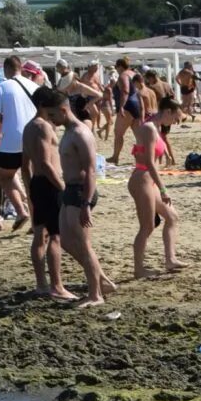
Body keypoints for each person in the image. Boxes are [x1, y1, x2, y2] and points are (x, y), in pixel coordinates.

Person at [55, 90, 113, 307]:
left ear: (63, 110)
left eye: (53, 115)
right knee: (67, 241)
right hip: (69, 189)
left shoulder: (81, 132)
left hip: (81, 192)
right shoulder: (68, 131)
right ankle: (103, 281)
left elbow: (91, 171)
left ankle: (96, 294)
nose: (51, 120)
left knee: (84, 244)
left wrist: (86, 204)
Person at [23, 86, 75, 301]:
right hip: (49, 183)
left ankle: (41, 284)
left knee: (39, 234)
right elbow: (45, 162)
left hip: (37, 183)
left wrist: (29, 190)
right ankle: (57, 286)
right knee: (55, 235)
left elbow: (25, 164)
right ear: (45, 106)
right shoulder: (44, 127)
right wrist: (62, 187)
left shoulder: (28, 127)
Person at [127, 97, 183, 279]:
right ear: (167, 111)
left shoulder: (156, 127)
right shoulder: (150, 128)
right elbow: (149, 162)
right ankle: (138, 269)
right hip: (142, 179)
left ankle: (170, 259)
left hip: (149, 180)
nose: (174, 123)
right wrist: (163, 189)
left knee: (172, 216)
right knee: (147, 226)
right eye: (175, 118)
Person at [0, 57, 39, 232]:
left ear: (6, 69)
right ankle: (36, 222)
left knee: (5, 176)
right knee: (31, 180)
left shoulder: (3, 87)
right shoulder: (34, 86)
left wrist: (8, 116)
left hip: (11, 139)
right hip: (33, 138)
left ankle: (20, 210)